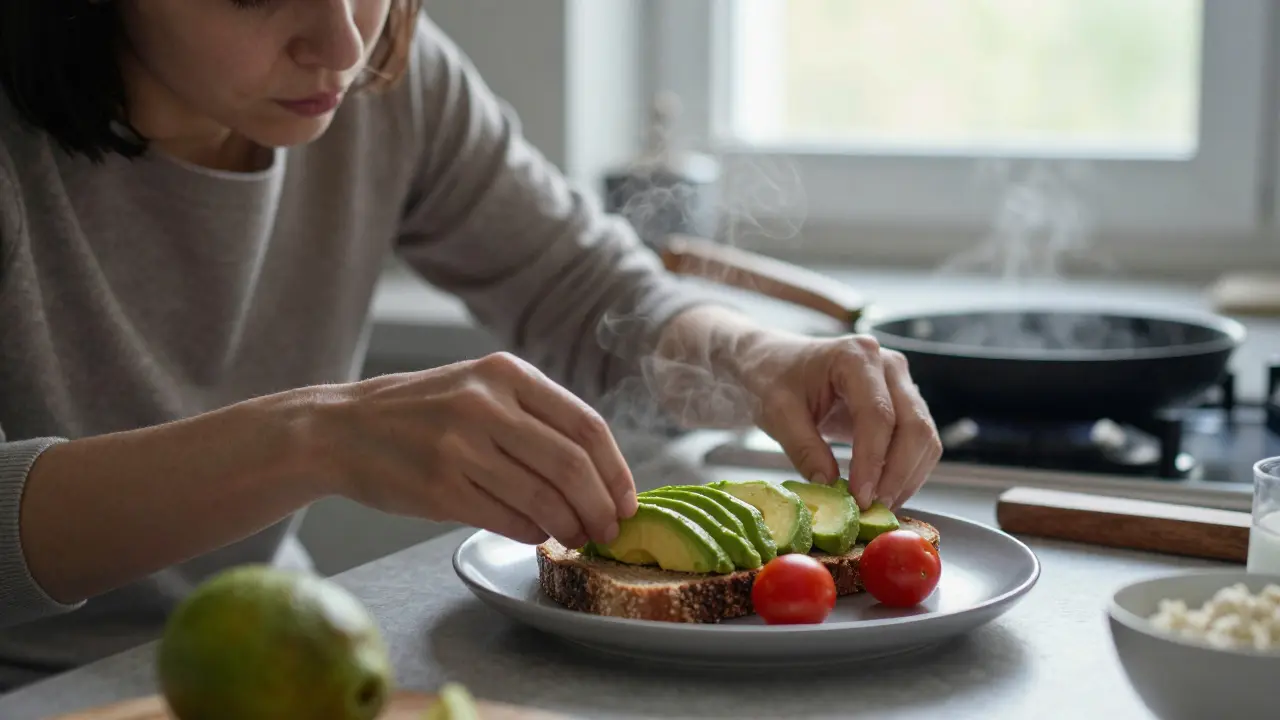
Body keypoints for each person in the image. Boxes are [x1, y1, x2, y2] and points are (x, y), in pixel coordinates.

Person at [0, 0, 942, 688]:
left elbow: (589, 291)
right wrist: (313, 437)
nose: (341, 42)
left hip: (282, 660)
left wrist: (759, 358)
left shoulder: (385, 84)